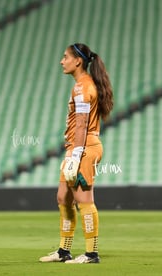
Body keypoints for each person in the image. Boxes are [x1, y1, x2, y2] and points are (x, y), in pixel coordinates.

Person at [39, 43, 113, 264]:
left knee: (84, 200)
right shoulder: (84, 85)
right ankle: (64, 251)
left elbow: (81, 125)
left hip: (85, 148)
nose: (62, 61)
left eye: (65, 57)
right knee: (63, 198)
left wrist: (75, 155)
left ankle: (91, 254)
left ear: (78, 61)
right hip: (77, 148)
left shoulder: (82, 87)